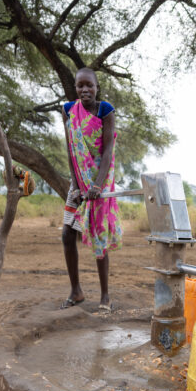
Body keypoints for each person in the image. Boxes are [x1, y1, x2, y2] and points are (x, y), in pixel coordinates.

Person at [60, 67, 122, 311]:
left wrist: (97, 184)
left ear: (97, 87)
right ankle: (76, 291)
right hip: (78, 180)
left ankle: (105, 296)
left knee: (99, 234)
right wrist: (75, 185)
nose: (85, 90)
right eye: (80, 86)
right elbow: (71, 149)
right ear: (75, 88)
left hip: (100, 179)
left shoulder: (105, 110)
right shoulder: (68, 111)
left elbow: (108, 150)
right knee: (67, 234)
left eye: (89, 85)